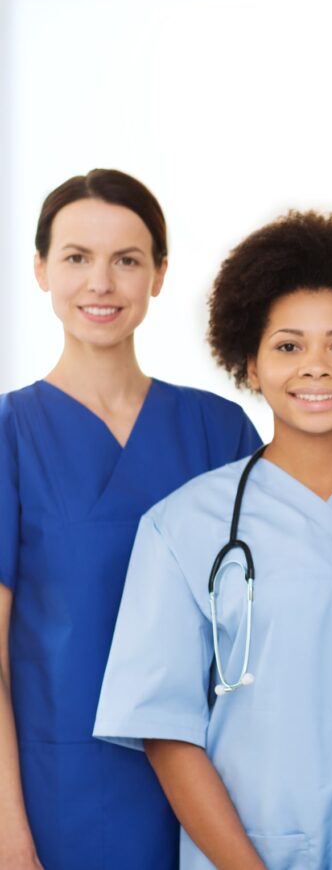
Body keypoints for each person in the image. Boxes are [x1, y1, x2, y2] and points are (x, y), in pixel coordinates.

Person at [93, 211, 332, 869]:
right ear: (250, 360)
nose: (316, 369)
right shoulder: (184, 526)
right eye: (289, 346)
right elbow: (167, 732)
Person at [0, 170, 261, 869]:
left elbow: (269, 623)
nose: (101, 284)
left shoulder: (218, 429)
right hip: (60, 793)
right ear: (40, 270)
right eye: (77, 258)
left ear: (160, 274)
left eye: (127, 260)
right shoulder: (11, 434)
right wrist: (8, 836)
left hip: (213, 785)